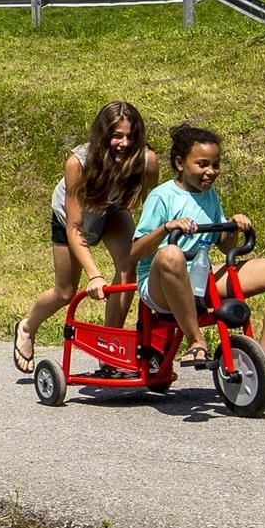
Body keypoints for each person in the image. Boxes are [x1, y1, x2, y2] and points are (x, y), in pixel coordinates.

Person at [131, 124, 265, 385]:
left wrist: (232, 226)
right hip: (161, 284)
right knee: (171, 253)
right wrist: (166, 228)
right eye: (202, 164)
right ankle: (195, 341)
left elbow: (226, 248)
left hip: (200, 277)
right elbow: (135, 253)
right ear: (180, 163)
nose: (211, 171)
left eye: (215, 165)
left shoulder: (210, 196)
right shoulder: (162, 196)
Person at [13, 101, 161, 374]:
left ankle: (110, 348)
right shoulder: (78, 163)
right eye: (117, 136)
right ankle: (27, 327)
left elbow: (153, 211)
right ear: (103, 135)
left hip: (111, 210)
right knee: (65, 292)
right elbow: (75, 227)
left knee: (128, 266)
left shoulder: (146, 160)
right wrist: (95, 276)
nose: (124, 144)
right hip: (71, 219)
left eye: (131, 137)